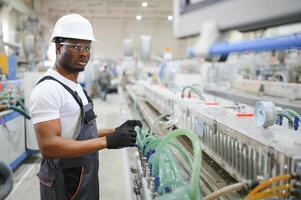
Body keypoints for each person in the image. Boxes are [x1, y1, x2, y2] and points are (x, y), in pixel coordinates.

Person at [30, 14, 142, 200]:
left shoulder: (75, 87)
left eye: (87, 47)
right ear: (58, 47)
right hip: (64, 179)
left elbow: (77, 133)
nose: (83, 53)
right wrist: (107, 142)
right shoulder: (48, 89)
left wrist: (116, 131)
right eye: (75, 46)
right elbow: (49, 146)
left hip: (82, 173)